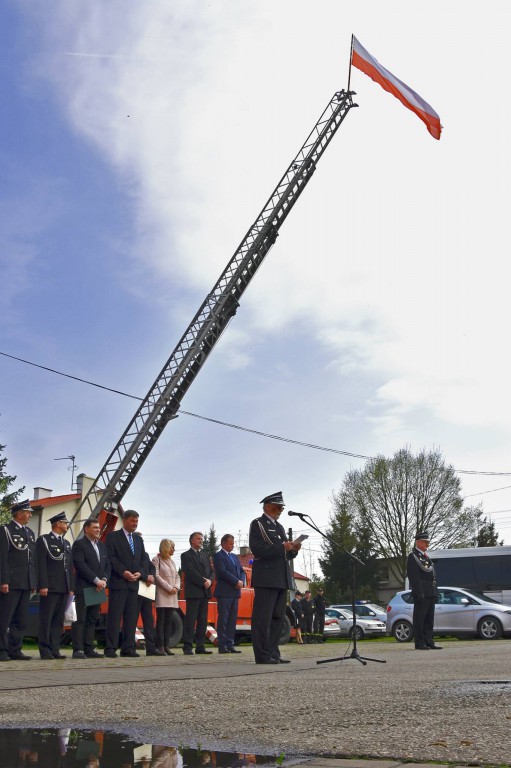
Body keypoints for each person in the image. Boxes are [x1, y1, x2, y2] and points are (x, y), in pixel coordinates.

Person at [248, 491, 301, 664]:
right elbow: (258, 550)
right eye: (278, 507)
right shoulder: (258, 524)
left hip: (280, 577)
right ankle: (262, 655)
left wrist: (293, 550)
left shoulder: (279, 527)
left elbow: (284, 554)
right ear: (268, 506)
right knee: (263, 618)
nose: (281, 510)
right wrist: (282, 547)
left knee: (278, 617)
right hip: (266, 577)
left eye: (282, 507)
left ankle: (273, 653)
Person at [105, 509, 154, 658]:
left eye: (137, 521)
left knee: (131, 618)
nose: (135, 524)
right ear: (125, 520)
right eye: (133, 521)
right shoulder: (113, 537)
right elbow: (111, 558)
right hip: (119, 583)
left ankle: (128, 648)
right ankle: (111, 648)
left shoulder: (138, 540)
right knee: (115, 617)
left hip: (134, 584)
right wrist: (123, 572)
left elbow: (143, 559)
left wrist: (140, 573)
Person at [0, 499, 37, 661]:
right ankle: (2, 650)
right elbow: (2, 558)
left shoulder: (29, 533)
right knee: (4, 617)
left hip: (26, 581)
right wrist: (3, 580)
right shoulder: (5, 530)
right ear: (20, 514)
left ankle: (15, 649)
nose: (30, 515)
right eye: (28, 512)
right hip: (11, 581)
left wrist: (33, 582)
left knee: (21, 619)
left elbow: (32, 560)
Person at [36, 511, 75, 659]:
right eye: (65, 523)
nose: (67, 525)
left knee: (58, 621)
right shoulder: (44, 540)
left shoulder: (66, 543)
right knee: (46, 619)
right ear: (58, 524)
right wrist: (43, 585)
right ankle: (45, 650)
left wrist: (71, 588)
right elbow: (41, 564)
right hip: (50, 587)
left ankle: (55, 649)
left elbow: (70, 567)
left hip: (64, 587)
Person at [71, 518, 110, 658]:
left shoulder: (102, 546)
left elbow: (107, 566)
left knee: (92, 619)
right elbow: (80, 565)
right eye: (95, 527)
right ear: (86, 529)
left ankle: (89, 648)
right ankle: (78, 649)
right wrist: (96, 580)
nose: (98, 530)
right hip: (84, 587)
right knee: (80, 619)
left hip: (98, 589)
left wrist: (104, 580)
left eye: (99, 528)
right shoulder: (79, 544)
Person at [180, 531, 214, 655]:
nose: (201, 541)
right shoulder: (185, 555)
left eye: (202, 539)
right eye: (198, 539)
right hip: (194, 592)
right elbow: (189, 571)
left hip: (205, 592)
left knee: (203, 620)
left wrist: (210, 580)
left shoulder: (205, 555)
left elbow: (211, 571)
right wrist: (202, 581)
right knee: (190, 619)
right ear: (192, 541)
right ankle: (187, 646)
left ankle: (200, 647)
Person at [407, 531, 441, 650]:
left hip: (430, 591)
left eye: (428, 542)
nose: (427, 544)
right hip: (422, 592)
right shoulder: (413, 556)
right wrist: (418, 591)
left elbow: (433, 577)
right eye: (425, 542)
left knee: (429, 619)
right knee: (420, 619)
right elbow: (414, 576)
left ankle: (428, 640)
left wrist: (434, 592)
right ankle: (419, 642)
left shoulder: (426, 557)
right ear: (418, 542)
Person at [213, 534, 245, 654]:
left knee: (232, 620)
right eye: (230, 544)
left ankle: (230, 644)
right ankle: (222, 646)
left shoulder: (235, 557)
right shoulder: (218, 556)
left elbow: (241, 571)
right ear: (223, 543)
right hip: (224, 592)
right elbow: (222, 572)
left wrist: (241, 581)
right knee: (223, 620)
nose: (233, 546)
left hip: (235, 593)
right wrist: (236, 581)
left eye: (233, 543)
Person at [135, 533, 165, 656]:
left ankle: (151, 648)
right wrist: (145, 577)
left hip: (146, 591)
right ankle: (130, 647)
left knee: (149, 620)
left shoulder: (145, 555)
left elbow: (151, 567)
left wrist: (151, 576)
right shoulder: (132, 555)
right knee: (132, 620)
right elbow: (136, 569)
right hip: (136, 590)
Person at [152, 539, 180, 655]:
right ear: (166, 547)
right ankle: (160, 646)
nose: (174, 549)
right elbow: (156, 576)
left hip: (173, 595)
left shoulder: (172, 561)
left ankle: (167, 645)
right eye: (172, 547)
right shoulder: (156, 559)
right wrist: (169, 588)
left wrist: (176, 587)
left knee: (169, 621)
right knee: (161, 621)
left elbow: (177, 576)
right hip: (163, 594)